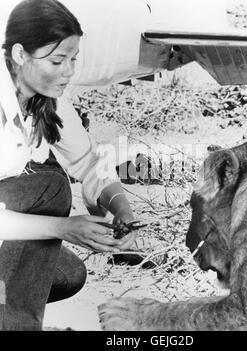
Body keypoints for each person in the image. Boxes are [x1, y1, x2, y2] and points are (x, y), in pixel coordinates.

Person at [0, 0, 136, 331]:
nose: (69, 72)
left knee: (68, 274)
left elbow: (88, 162)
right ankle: (17, 323)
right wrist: (63, 228)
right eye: (58, 60)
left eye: (73, 60)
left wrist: (122, 209)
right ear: (20, 55)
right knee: (51, 187)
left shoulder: (45, 97)